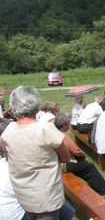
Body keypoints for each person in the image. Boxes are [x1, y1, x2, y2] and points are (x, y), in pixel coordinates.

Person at [0, 86, 70, 220]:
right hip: (46, 196)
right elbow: (65, 157)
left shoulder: (9, 130)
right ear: (36, 104)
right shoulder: (45, 128)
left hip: (23, 195)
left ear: (14, 106)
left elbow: (4, 149)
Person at [54, 113, 105, 195]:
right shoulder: (63, 136)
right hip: (64, 164)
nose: (69, 125)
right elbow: (76, 151)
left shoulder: (54, 133)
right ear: (64, 125)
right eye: (68, 124)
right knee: (89, 167)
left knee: (84, 165)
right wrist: (83, 154)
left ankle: (98, 186)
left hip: (59, 163)